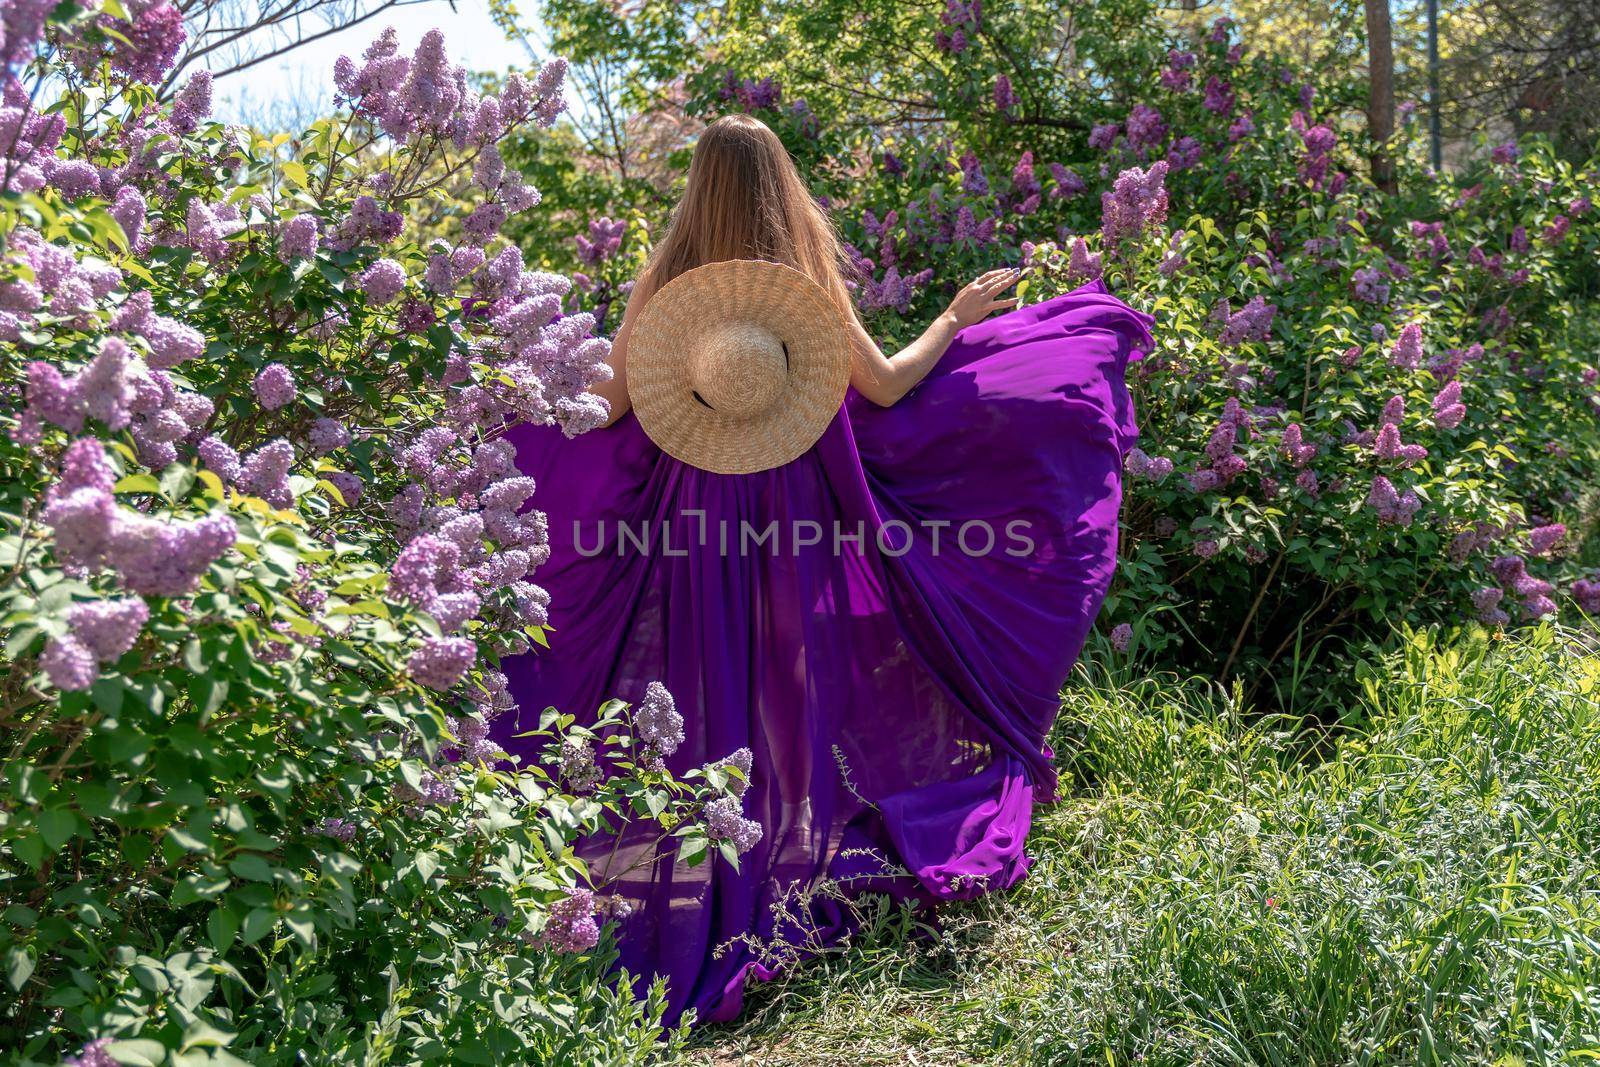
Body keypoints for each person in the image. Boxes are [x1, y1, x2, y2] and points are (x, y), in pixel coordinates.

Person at [492, 113, 1154, 1025]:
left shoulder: (670, 281)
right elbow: (884, 386)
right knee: (793, 675)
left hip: (698, 509)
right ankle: (792, 853)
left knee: (708, 676)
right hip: (798, 502)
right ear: (779, 185)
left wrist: (510, 396)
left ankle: (712, 860)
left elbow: (603, 411)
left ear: (698, 189)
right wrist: (954, 320)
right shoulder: (799, 284)